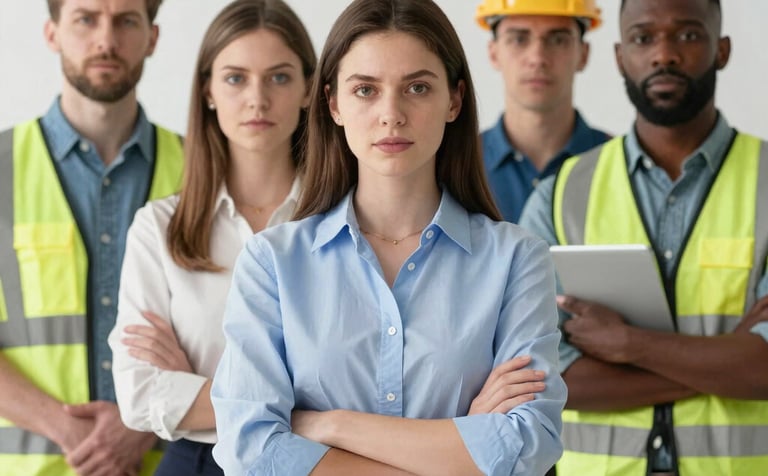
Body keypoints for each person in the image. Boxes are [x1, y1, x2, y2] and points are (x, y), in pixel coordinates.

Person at [210, 0, 566, 474]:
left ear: (454, 100)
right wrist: (461, 446)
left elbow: (528, 443)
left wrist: (332, 426)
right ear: (333, 103)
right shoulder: (272, 261)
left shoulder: (517, 260)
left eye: (417, 87)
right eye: (365, 90)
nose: (391, 114)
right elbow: (250, 451)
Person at [519, 0, 768, 474]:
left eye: (689, 35)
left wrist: (629, 344)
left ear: (723, 50)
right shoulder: (560, 195)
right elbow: (542, 378)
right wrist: (727, 359)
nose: (664, 55)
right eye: (642, 38)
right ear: (618, 56)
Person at [107, 0, 315, 475]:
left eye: (279, 77)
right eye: (236, 78)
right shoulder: (158, 228)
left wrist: (195, 386)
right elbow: (139, 395)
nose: (257, 99)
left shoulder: (344, 222)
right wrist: (310, 412)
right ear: (208, 91)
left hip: (323, 462)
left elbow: (370, 387)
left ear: (308, 89)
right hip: (199, 463)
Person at [0, 1, 184, 475]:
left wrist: (141, 424)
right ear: (52, 33)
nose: (106, 40)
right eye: (86, 19)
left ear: (153, 37)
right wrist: (70, 431)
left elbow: (243, 334)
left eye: (126, 20)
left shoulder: (202, 171)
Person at [474, 0, 610, 223]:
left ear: (583, 54)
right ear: (493, 53)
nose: (537, 58)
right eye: (519, 39)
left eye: (558, 40)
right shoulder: (457, 163)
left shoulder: (621, 165)